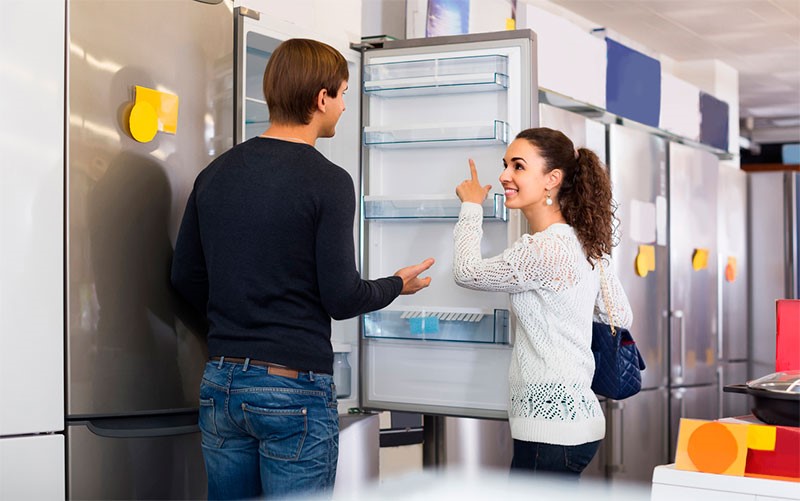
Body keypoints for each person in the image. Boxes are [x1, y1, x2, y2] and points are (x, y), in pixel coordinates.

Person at [171, 38, 435, 500]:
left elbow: (185, 278)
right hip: (291, 390)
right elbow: (341, 296)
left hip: (221, 383)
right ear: (321, 98)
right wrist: (397, 284)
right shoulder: (328, 182)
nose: (344, 106)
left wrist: (230, 331)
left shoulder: (215, 173)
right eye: (343, 94)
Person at [452, 127, 632, 478]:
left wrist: (471, 208)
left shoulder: (543, 248)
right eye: (506, 165)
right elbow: (621, 314)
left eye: (518, 166)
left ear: (552, 179)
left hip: (549, 430)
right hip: (580, 422)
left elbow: (467, 272)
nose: (504, 175)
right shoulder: (581, 242)